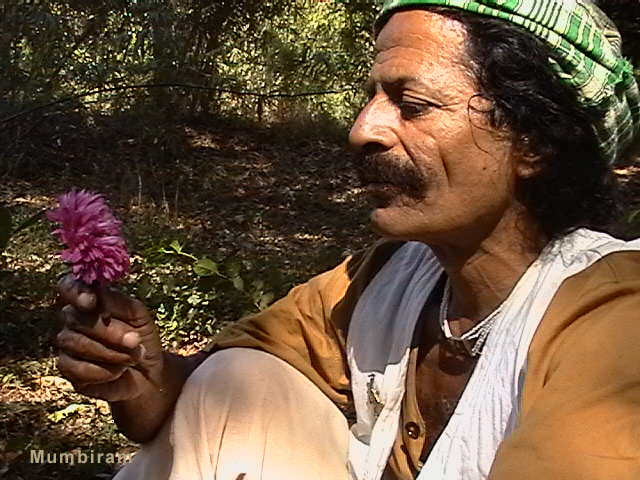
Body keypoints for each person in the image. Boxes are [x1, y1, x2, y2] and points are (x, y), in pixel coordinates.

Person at [55, 1, 640, 479]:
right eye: (373, 98)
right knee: (240, 377)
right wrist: (141, 374)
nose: (364, 130)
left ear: (535, 143)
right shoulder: (383, 281)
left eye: (413, 105)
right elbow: (205, 401)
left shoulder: (616, 320)